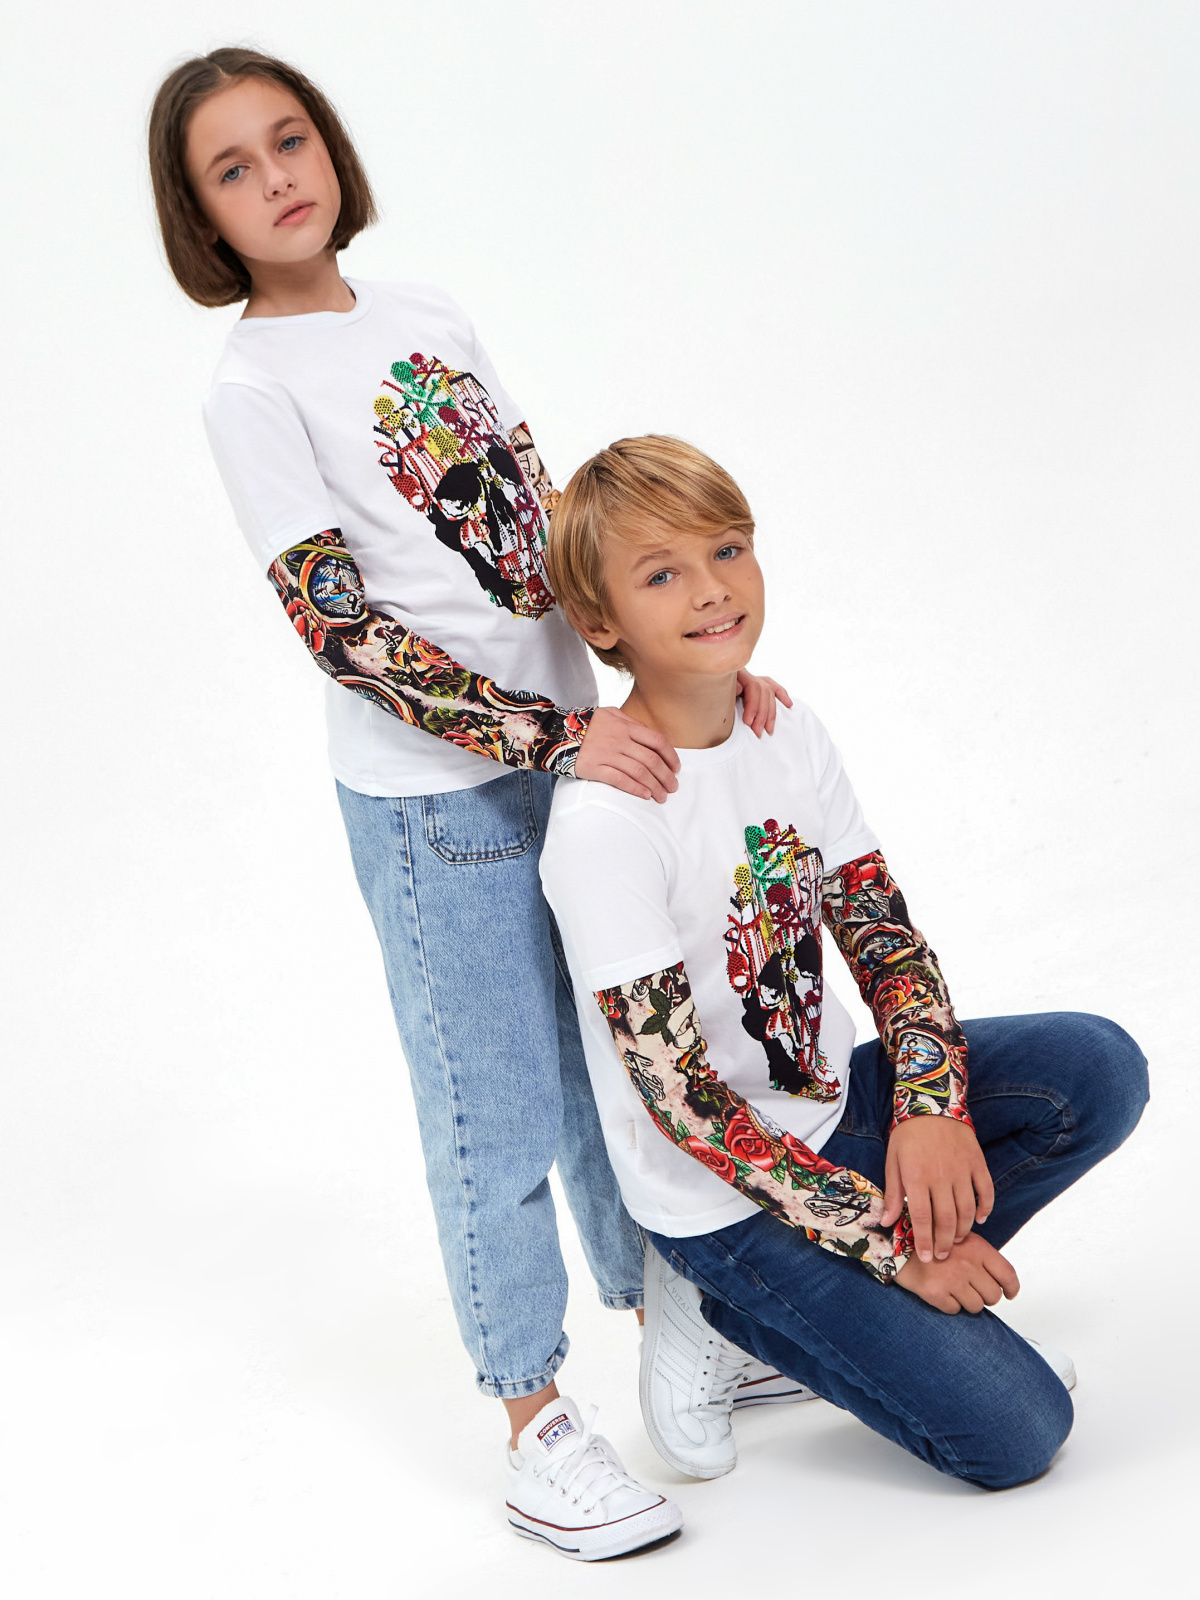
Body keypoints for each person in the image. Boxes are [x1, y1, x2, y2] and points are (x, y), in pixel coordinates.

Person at [147, 48, 790, 1560]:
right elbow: (342, 630)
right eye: (233, 169)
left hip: (573, 757)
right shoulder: (251, 389)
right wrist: (554, 736)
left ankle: (670, 1322)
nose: (277, 178)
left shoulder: (428, 312)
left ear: (331, 145)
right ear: (202, 216)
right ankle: (532, 1421)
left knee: (614, 1067)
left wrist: (672, 667)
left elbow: (548, 538)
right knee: (489, 1111)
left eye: (289, 140)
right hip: (439, 801)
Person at [539, 435, 1149, 1490]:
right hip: (725, 1197)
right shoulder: (605, 824)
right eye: (661, 575)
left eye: (727, 550)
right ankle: (725, 1310)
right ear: (601, 623)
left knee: (1097, 1068)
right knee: (1019, 1433)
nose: (712, 589)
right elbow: (685, 1104)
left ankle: (862, 1310)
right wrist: (891, 1247)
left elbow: (880, 933)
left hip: (838, 1110)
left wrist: (929, 1106)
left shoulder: (785, 727)